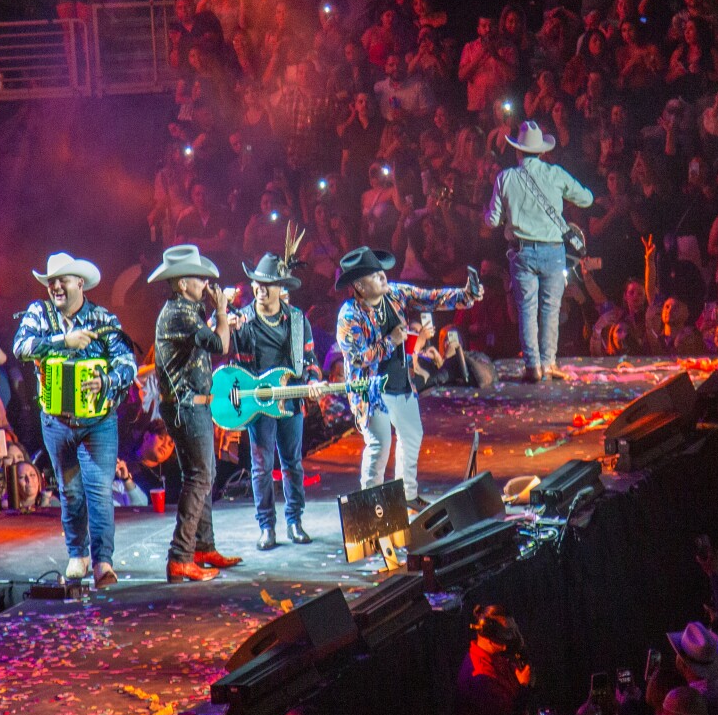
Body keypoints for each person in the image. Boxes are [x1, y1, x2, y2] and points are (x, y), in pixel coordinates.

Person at [11, 253, 138, 588]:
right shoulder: (39, 313)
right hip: (55, 420)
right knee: (69, 491)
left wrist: (106, 381)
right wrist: (61, 341)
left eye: (62, 280)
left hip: (98, 420)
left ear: (79, 283)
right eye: (51, 281)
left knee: (98, 490)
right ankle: (77, 554)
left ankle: (103, 563)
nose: (55, 286)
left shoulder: (102, 318)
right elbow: (20, 347)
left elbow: (128, 363)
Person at [333, 247, 482, 509]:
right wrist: (391, 341)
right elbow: (358, 358)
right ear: (358, 285)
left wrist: (466, 294)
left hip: (400, 382)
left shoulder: (395, 294)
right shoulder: (349, 315)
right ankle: (372, 505)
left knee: (412, 435)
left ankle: (407, 496)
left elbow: (430, 297)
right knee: (379, 444)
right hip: (370, 391)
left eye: (381, 271)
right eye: (374, 273)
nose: (382, 276)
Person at [148, 245, 240, 582]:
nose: (204, 283)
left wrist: (223, 315)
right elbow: (220, 345)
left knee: (204, 475)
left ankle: (203, 546)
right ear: (181, 283)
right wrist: (222, 313)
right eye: (198, 278)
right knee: (199, 476)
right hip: (186, 406)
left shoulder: (187, 310)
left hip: (190, 405)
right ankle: (181, 556)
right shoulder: (179, 313)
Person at [228, 252, 329, 550]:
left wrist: (312, 382)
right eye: (257, 283)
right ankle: (266, 527)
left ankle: (295, 521)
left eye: (267, 284)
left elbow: (309, 360)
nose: (260, 288)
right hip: (259, 404)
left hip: (289, 401)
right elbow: (214, 337)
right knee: (261, 466)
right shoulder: (242, 319)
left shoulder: (297, 321)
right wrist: (223, 318)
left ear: (281, 288)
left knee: (292, 464)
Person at [483, 119, 595, 382]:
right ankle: (549, 363)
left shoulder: (505, 177)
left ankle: (533, 366)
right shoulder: (555, 173)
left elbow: (491, 221)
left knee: (527, 309)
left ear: (518, 151)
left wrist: (494, 213)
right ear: (543, 151)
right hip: (553, 251)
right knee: (550, 308)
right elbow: (587, 199)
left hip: (521, 252)